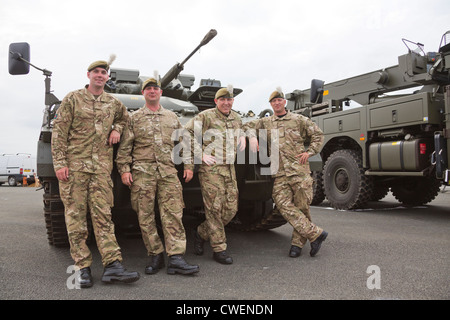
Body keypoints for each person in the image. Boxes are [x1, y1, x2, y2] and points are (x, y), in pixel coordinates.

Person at [51, 58, 140, 288]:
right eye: (96, 72)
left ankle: (113, 266)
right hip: (75, 169)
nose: (100, 75)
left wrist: (117, 129)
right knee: (76, 219)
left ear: (107, 77)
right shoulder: (73, 98)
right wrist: (60, 163)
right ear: (88, 75)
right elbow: (59, 131)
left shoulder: (113, 102)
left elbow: (125, 119)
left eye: (104, 72)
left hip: (101, 170)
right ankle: (82, 268)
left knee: (104, 219)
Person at [115, 76, 199, 276]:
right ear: (143, 93)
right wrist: (124, 169)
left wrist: (188, 165)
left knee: (173, 213)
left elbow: (184, 142)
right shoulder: (134, 118)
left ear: (161, 93)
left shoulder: (172, 116)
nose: (152, 91)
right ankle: (155, 254)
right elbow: (125, 148)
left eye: (156, 88)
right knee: (145, 216)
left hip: (168, 171)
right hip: (142, 172)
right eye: (148, 89)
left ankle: (176, 257)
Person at [245, 87, 328, 258]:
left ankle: (297, 245)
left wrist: (310, 152)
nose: (276, 103)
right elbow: (246, 125)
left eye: (279, 100)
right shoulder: (266, 122)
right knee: (282, 204)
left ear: (284, 102)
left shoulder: (298, 120)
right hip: (280, 173)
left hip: (299, 171)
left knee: (302, 207)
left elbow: (318, 135)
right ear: (271, 104)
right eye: (273, 101)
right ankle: (315, 233)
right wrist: (252, 136)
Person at [184, 85, 246, 264]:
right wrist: (200, 154)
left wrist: (244, 135)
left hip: (229, 168)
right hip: (211, 170)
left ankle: (201, 232)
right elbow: (187, 132)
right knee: (214, 209)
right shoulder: (206, 116)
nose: (226, 103)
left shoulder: (236, 117)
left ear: (233, 101)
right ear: (216, 101)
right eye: (223, 100)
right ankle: (219, 248)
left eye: (229, 100)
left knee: (232, 208)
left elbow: (241, 127)